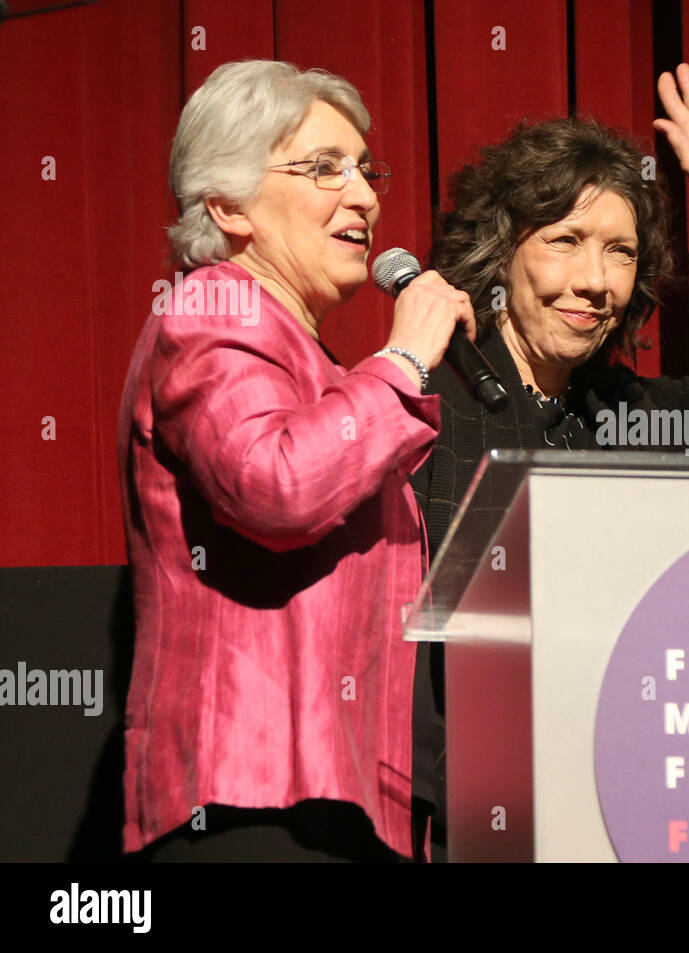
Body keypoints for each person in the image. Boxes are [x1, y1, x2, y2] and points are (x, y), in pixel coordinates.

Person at [407, 67, 689, 835]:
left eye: (620, 252)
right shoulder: (420, 400)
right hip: (456, 817)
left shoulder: (633, 413)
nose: (594, 281)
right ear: (503, 251)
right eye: (565, 242)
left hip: (614, 804)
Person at [118, 60, 475, 861]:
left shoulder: (313, 361)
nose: (366, 195)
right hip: (253, 805)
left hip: (335, 803)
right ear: (226, 205)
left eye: (363, 169)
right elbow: (275, 486)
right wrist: (407, 360)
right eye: (324, 168)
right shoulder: (212, 309)